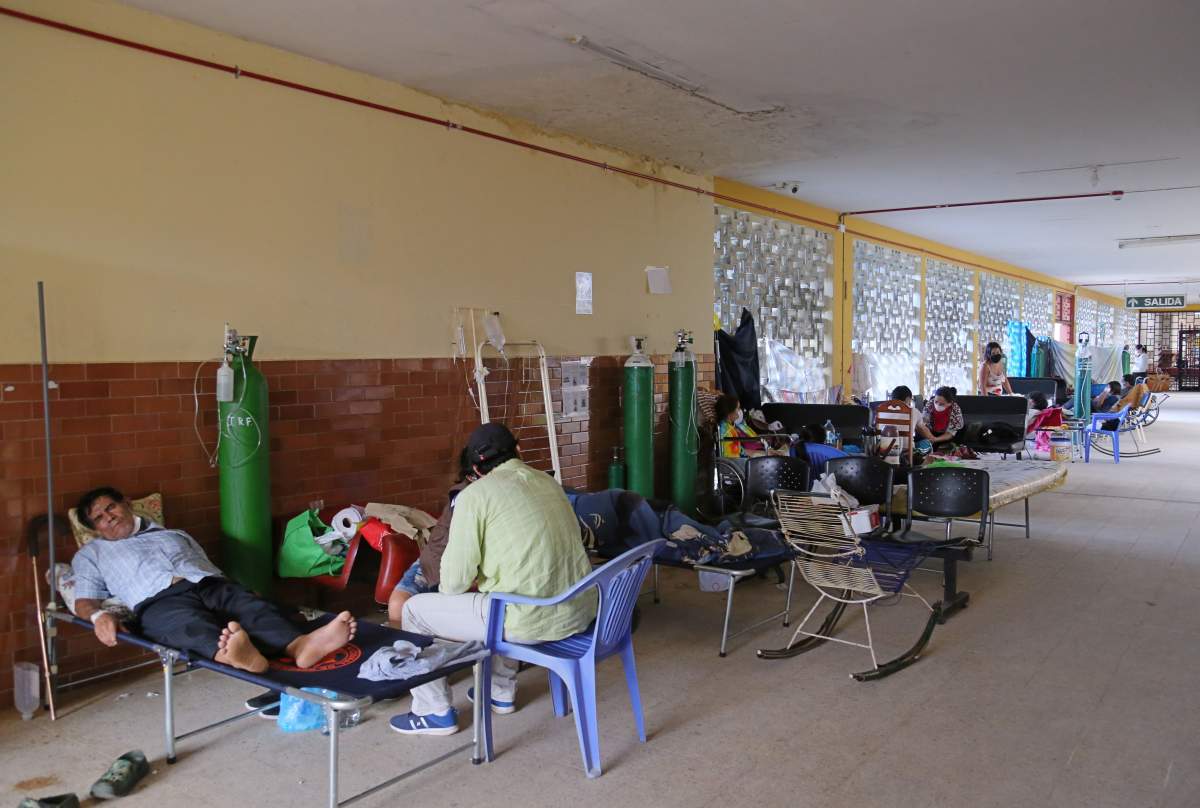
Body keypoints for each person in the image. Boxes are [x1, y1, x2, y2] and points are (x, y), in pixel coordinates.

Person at [390, 423, 596, 736]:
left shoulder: (474, 496)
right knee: (508, 589)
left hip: (530, 623)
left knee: (414, 611)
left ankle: (434, 711)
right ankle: (499, 691)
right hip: (577, 611)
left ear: (475, 467)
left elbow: (454, 583)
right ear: (519, 450)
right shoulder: (549, 482)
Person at [71, 487, 356, 673]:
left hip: (208, 583)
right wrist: (98, 617)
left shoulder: (174, 534)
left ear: (127, 504)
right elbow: (83, 599)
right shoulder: (92, 554)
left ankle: (301, 647)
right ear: (95, 529)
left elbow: (207, 566)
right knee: (188, 627)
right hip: (157, 600)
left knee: (250, 608)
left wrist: (242, 590)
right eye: (98, 518)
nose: (108, 517)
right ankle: (235, 656)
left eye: (110, 508)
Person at [387, 449, 476, 627]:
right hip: (438, 564)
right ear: (472, 474)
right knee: (398, 605)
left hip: (467, 569)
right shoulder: (463, 497)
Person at [889, 385, 935, 455]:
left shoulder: (881, 411)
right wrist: (933, 438)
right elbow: (925, 433)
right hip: (907, 452)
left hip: (886, 450)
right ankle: (922, 465)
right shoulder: (913, 411)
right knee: (928, 443)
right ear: (908, 398)